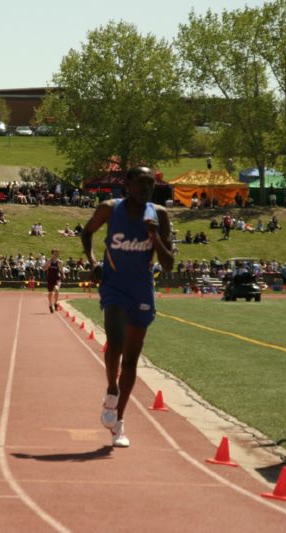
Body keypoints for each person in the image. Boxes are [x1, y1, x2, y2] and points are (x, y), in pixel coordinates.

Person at [81, 166, 174, 447]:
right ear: (128, 184)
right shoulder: (110, 209)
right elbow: (87, 233)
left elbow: (169, 264)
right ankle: (111, 388)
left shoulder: (159, 215)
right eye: (141, 183)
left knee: (131, 361)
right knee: (116, 342)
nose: (146, 188)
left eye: (151, 184)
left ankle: (118, 421)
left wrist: (154, 236)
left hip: (142, 289)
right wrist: (93, 262)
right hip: (114, 286)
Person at [42, 248, 62, 313]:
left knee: (57, 289)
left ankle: (55, 303)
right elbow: (43, 269)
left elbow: (61, 269)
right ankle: (50, 304)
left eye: (57, 253)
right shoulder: (49, 261)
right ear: (52, 254)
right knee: (50, 293)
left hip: (57, 278)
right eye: (55, 253)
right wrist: (47, 267)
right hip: (50, 278)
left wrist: (63, 274)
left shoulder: (59, 262)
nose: (56, 254)